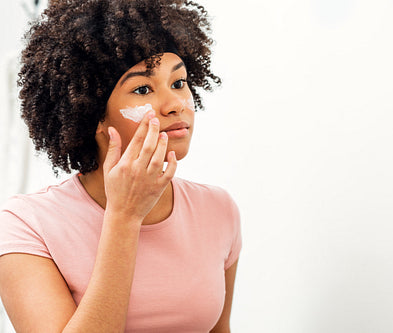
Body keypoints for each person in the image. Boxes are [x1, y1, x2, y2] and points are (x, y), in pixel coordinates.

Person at [0, 0, 241, 332]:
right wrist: (124, 217)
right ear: (94, 114)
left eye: (178, 83)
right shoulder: (26, 225)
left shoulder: (218, 210)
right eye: (143, 89)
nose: (175, 106)